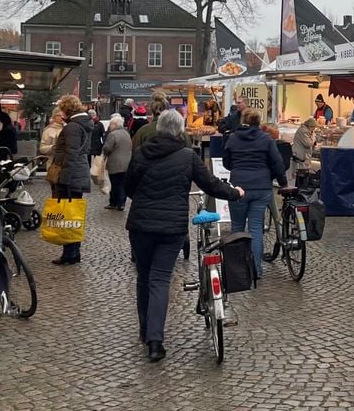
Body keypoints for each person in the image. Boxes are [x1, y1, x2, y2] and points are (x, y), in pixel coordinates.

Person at [125, 109, 243, 362]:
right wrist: (235, 193)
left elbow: (128, 188)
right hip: (171, 228)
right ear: (180, 130)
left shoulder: (140, 154)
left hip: (141, 226)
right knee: (160, 280)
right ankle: (155, 341)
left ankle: (146, 330)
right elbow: (211, 184)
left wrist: (145, 201)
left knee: (144, 278)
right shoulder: (187, 157)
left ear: (158, 129)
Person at [222, 107, 287, 278]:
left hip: (239, 187)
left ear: (243, 120)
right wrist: (283, 183)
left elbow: (226, 162)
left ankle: (237, 271)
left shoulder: (233, 138)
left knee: (237, 227)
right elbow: (277, 162)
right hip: (261, 187)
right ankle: (256, 270)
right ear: (259, 122)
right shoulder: (266, 139)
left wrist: (238, 168)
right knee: (256, 228)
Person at [50, 95, 93, 265]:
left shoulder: (73, 127)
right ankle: (72, 252)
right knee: (73, 214)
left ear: (67, 108)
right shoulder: (82, 124)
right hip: (78, 173)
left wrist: (64, 179)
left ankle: (70, 253)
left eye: (62, 107)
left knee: (69, 215)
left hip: (71, 175)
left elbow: (71, 153)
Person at [102, 114, 133, 211]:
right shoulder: (126, 133)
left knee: (115, 184)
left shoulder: (113, 134)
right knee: (122, 184)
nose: (109, 127)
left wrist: (104, 150)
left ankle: (114, 203)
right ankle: (122, 203)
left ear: (115, 124)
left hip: (115, 163)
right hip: (126, 163)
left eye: (110, 124)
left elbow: (107, 148)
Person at [291, 117, 318, 188]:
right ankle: (301, 189)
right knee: (301, 173)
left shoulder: (305, 131)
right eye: (313, 128)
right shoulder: (303, 131)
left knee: (302, 173)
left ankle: (301, 187)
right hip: (300, 155)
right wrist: (314, 137)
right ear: (310, 126)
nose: (314, 130)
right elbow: (308, 143)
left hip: (302, 155)